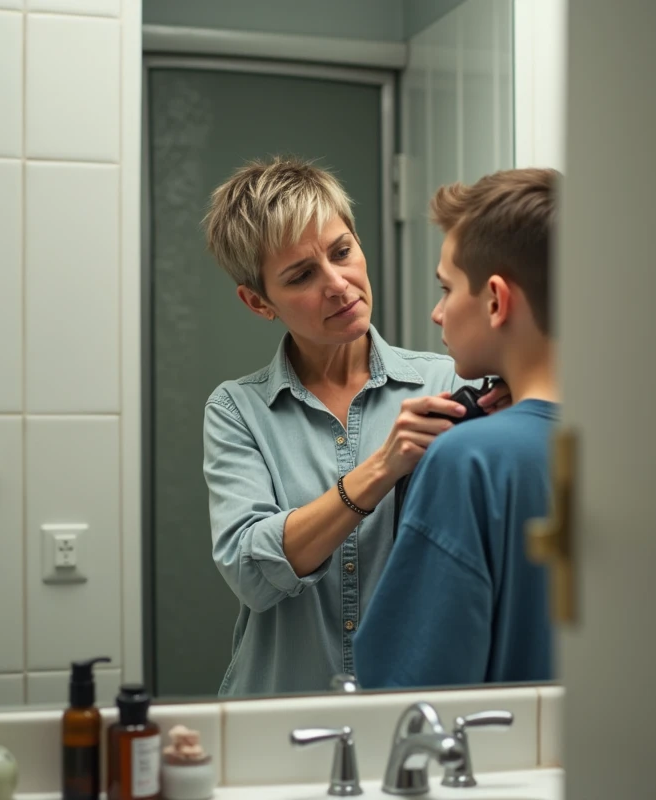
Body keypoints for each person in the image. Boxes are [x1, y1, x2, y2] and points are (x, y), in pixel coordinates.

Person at [200, 156, 508, 697]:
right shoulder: (236, 411)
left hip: (413, 710)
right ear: (257, 301)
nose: (339, 285)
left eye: (342, 252)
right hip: (277, 711)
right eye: (301, 275)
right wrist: (384, 467)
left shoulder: (450, 382)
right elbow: (250, 571)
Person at [353, 167, 560, 689]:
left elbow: (408, 694)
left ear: (496, 299)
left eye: (446, 288)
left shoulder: (469, 461)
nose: (437, 312)